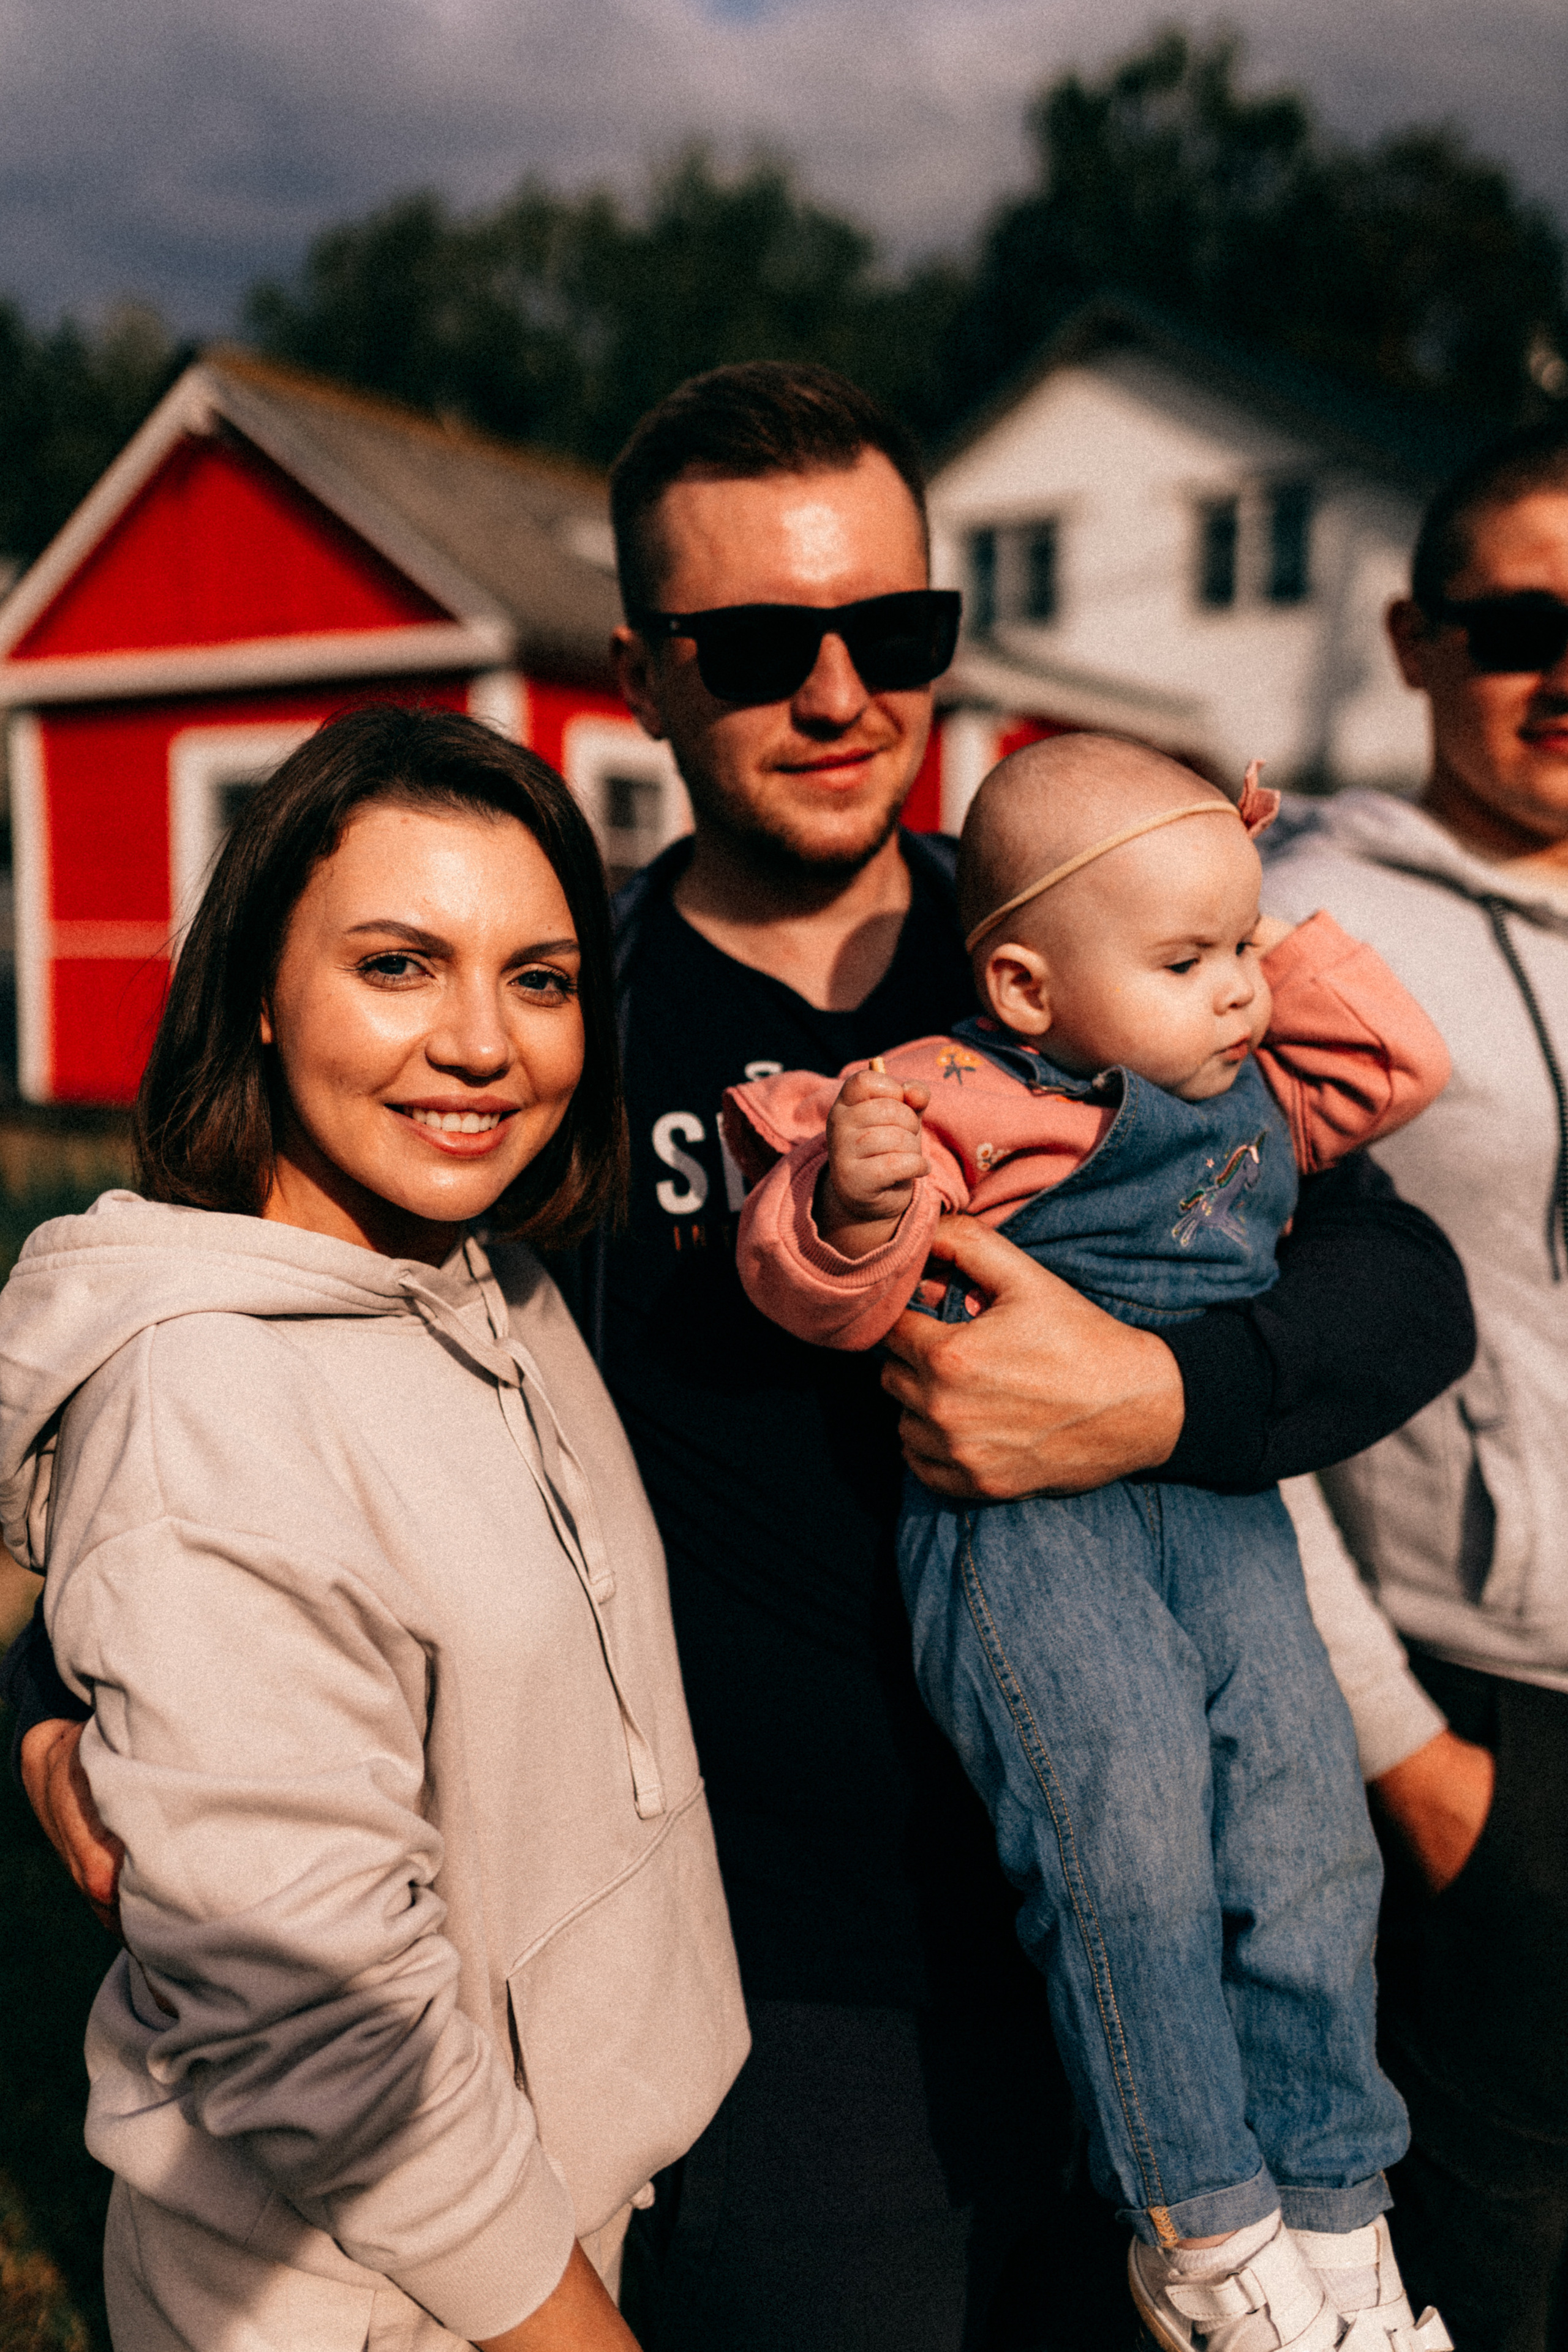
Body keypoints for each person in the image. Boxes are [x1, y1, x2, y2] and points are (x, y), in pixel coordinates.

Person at [7, 365, 1478, 2352]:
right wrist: (47, 1682)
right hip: (807, 1982)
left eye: (897, 632)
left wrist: (1162, 1400)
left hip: (1186, 1894)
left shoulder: (1086, 943)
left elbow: (1402, 1288)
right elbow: (277, 1366)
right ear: (641, 669)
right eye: (762, 643)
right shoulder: (552, 1032)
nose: (840, 692)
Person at [0, 706, 748, 2351]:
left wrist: (47, 1713)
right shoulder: (209, 1395)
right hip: (358, 2290)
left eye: (539, 978)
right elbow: (310, 2014)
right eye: (400, 965)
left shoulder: (491, 1283)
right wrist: (563, 2328)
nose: (484, 1043)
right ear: (261, 992)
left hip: (550, 2213)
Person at [726, 732, 1453, 2352]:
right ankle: (1202, 2227)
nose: (1243, 991)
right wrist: (853, 1201)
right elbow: (807, 1285)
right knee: (1126, 1848)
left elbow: (1396, 1065)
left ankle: (1337, 2208)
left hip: (1220, 1512)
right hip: (1029, 1530)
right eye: (1191, 959)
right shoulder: (959, 1094)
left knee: (1308, 1846)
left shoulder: (1252, 1082)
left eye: (1250, 946)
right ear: (1030, 989)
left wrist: (1245, 921)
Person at [1263, 417, 1568, 2352]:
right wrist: (1403, 1752)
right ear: (1416, 641)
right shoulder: (1300, 931)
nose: (1566, 672)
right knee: (1490, 2282)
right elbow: (1224, 1362)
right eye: (1521, 621)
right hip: (1489, 1733)